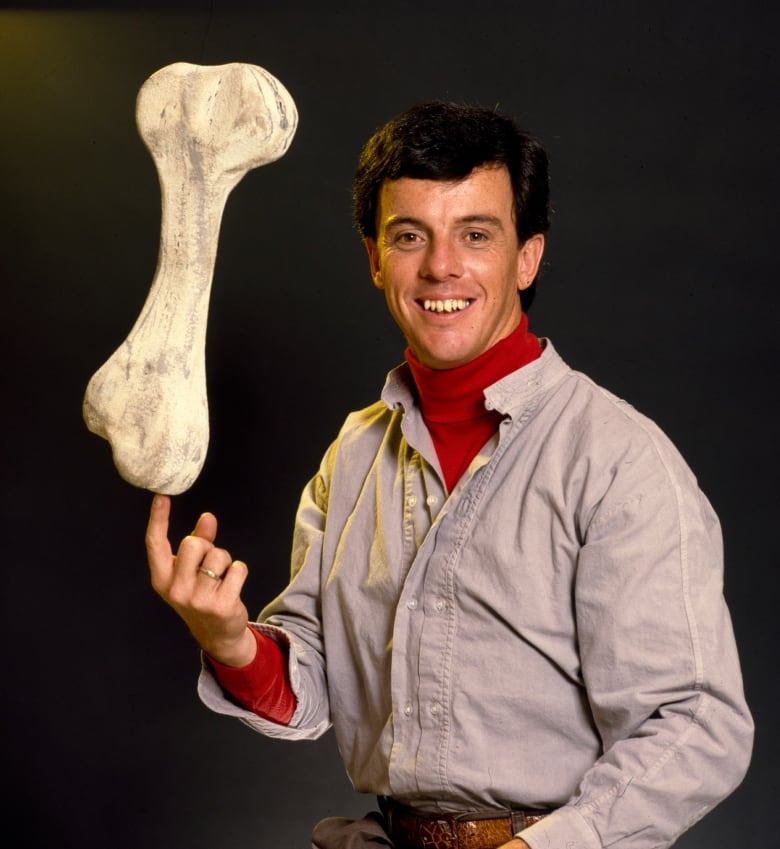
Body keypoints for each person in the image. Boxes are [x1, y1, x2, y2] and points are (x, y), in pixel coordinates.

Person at [146, 101, 753, 849]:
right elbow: (312, 681)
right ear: (374, 257)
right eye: (410, 236)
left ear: (527, 256)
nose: (441, 266)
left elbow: (695, 724)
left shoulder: (619, 460)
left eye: (476, 234)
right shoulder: (355, 452)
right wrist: (230, 638)